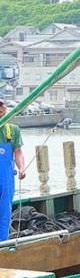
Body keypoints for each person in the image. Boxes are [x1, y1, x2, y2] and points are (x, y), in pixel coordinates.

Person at [0, 99, 26, 240]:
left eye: (2, 106)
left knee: (5, 211)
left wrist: (21, 168)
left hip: (6, 178)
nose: (0, 110)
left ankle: (2, 242)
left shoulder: (13, 130)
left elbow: (18, 152)